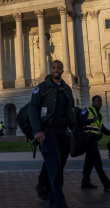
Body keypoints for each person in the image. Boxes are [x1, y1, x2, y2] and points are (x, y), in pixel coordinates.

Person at [30, 60, 76, 208]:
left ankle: (41, 185)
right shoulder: (42, 88)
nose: (56, 70)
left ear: (63, 70)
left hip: (63, 132)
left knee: (58, 166)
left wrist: (74, 129)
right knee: (55, 167)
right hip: (47, 132)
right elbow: (33, 110)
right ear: (51, 69)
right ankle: (58, 203)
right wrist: (37, 130)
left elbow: (71, 111)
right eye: (54, 68)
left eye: (59, 68)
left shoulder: (67, 89)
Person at [78, 95, 110, 190]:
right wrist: (91, 120)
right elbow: (80, 120)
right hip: (88, 140)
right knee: (98, 163)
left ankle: (85, 183)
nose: (100, 103)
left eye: (101, 101)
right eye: (98, 101)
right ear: (92, 102)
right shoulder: (87, 110)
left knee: (89, 163)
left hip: (94, 141)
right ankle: (106, 184)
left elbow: (101, 128)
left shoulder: (100, 114)